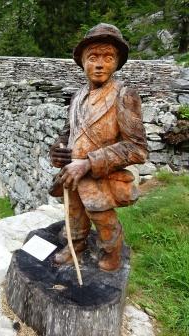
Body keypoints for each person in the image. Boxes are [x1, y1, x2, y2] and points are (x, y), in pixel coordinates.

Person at [49, 23, 148, 272]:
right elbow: (69, 132)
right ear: (83, 62)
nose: (100, 64)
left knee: (102, 216)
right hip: (72, 174)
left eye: (108, 57)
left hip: (100, 174)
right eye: (93, 57)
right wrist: (59, 147)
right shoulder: (77, 96)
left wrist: (90, 162)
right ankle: (76, 246)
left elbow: (137, 148)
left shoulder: (124, 95)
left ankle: (111, 252)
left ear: (117, 63)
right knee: (74, 213)